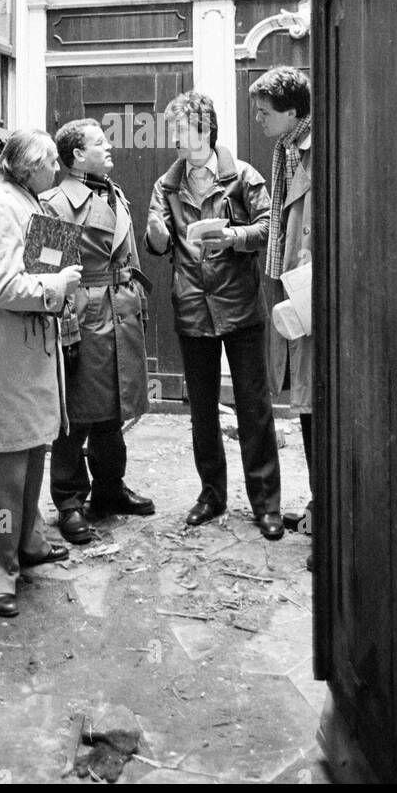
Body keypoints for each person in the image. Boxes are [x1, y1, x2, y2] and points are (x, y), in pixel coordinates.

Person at [146, 90, 284, 539]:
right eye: (174, 130)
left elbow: (270, 228)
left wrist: (234, 237)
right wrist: (156, 234)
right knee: (202, 410)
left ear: (205, 130)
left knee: (254, 407)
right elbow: (159, 243)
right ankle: (211, 495)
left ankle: (266, 503)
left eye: (182, 129)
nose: (175, 138)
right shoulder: (166, 186)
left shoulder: (243, 177)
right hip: (191, 306)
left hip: (241, 306)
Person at [0, 129, 83, 618]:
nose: (57, 169)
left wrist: (60, 280)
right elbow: (3, 287)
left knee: (31, 453)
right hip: (6, 360)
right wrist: (58, 283)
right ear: (29, 166)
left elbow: (39, 265)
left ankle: (25, 542)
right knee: (6, 470)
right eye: (51, 162)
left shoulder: (28, 201)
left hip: (27, 356)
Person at [42, 118, 155, 544]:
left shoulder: (114, 191)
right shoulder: (53, 203)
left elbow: (130, 255)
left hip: (120, 307)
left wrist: (136, 303)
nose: (109, 147)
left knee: (113, 407)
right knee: (76, 414)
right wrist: (65, 324)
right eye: (100, 143)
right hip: (83, 314)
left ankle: (109, 488)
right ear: (76, 156)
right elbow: (45, 272)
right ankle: (70, 502)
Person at [250, 65, 314, 566]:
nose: (258, 119)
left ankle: (325, 510)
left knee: (316, 408)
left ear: (292, 113)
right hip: (291, 292)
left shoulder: (310, 150)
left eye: (265, 112)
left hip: (307, 295)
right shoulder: (284, 150)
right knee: (307, 405)